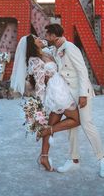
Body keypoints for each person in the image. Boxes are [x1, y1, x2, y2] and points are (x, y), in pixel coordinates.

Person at [44, 24, 104, 178]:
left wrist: (83, 95)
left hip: (79, 92)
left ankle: (103, 158)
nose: (46, 38)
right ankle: (74, 160)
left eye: (48, 35)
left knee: (87, 124)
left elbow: (82, 71)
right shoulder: (55, 49)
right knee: (72, 126)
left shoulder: (70, 47)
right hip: (67, 94)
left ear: (54, 36)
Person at [10, 34, 80, 172]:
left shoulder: (46, 52)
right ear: (32, 44)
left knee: (52, 123)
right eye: (36, 38)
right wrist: (41, 106)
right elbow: (40, 85)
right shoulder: (34, 61)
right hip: (56, 94)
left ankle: (44, 157)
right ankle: (48, 131)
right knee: (77, 119)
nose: (40, 38)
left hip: (61, 87)